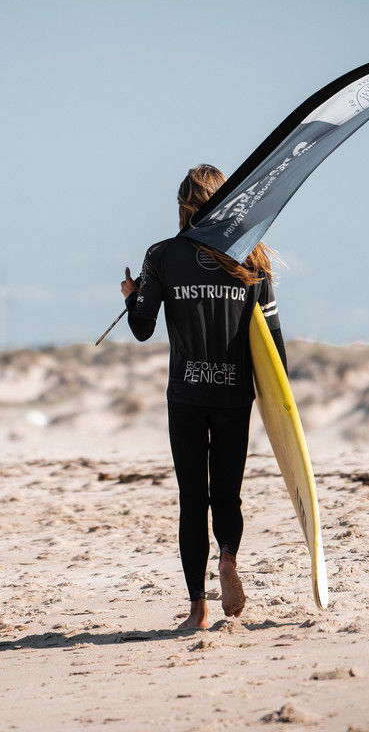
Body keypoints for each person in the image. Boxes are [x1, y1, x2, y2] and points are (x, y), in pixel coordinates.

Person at [120, 164, 287, 630]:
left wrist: (131, 295)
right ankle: (229, 557)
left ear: (182, 205)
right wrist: (281, 405)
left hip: (187, 395)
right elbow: (273, 341)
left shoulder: (163, 256)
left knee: (192, 500)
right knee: (227, 495)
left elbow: (141, 327)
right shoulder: (253, 259)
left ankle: (197, 610)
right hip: (236, 396)